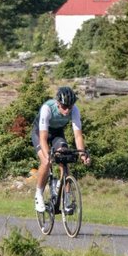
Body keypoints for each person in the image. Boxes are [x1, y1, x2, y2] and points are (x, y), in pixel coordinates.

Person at [34, 85, 89, 213]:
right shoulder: (47, 109)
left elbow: (78, 135)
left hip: (57, 133)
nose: (67, 111)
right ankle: (38, 195)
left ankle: (67, 198)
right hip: (40, 133)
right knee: (46, 161)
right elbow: (43, 138)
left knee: (64, 157)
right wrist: (48, 155)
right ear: (58, 103)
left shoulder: (74, 110)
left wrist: (82, 154)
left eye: (69, 107)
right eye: (64, 107)